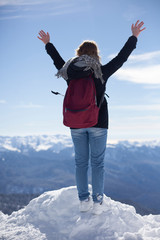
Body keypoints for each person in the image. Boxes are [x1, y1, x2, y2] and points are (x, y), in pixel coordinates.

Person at [38, 20, 145, 215]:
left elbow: (57, 60)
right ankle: (97, 202)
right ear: (96, 54)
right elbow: (122, 58)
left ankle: (83, 200)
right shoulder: (100, 71)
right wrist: (134, 37)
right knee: (97, 163)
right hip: (99, 122)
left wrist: (48, 44)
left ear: (78, 53)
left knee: (80, 162)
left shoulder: (69, 71)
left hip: (76, 123)